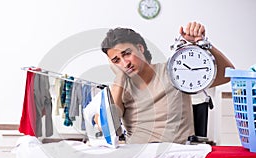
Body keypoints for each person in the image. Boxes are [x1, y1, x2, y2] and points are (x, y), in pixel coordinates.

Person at [98, 21, 235, 144]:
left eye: (127, 54)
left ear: (140, 48)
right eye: (116, 60)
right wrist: (119, 78)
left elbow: (227, 74)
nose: (125, 63)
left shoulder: (173, 71)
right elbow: (108, 128)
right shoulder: (119, 88)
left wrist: (203, 43)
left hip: (176, 157)